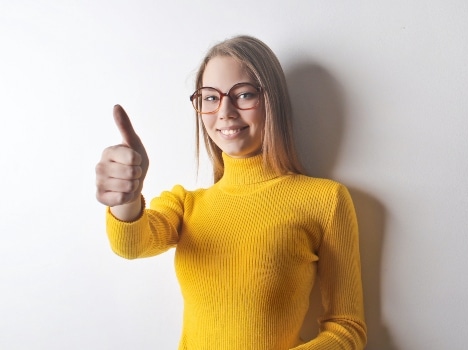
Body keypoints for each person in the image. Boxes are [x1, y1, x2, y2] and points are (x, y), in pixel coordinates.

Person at [95, 35, 366, 350]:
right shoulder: (185, 205)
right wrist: (126, 199)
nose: (224, 111)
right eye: (210, 97)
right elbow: (131, 246)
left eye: (244, 94)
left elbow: (347, 330)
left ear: (272, 100)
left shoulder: (326, 200)